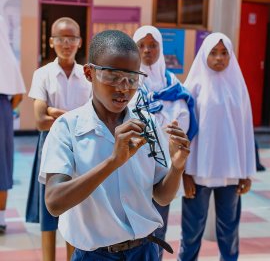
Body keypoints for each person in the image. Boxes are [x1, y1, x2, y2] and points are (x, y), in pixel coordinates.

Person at [39, 29, 190, 261]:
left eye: (132, 79)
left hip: (145, 251)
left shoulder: (146, 124)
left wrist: (177, 166)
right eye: (112, 76)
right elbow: (54, 202)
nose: (123, 88)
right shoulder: (67, 128)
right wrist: (112, 162)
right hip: (95, 255)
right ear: (89, 73)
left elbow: (161, 196)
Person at [179, 32, 256, 261]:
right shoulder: (193, 86)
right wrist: (184, 172)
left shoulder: (238, 88)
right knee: (191, 231)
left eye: (224, 53)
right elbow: (183, 133)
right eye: (213, 52)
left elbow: (245, 132)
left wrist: (246, 173)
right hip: (198, 173)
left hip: (231, 175)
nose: (219, 58)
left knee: (229, 231)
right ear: (204, 55)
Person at [25, 17, 91, 261]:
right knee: (48, 211)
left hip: (81, 148)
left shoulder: (87, 75)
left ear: (80, 41)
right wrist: (70, 117)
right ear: (51, 42)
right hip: (49, 146)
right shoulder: (43, 74)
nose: (67, 43)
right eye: (61, 39)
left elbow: (92, 116)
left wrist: (54, 111)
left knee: (75, 209)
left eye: (72, 38)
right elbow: (40, 120)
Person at [132, 25, 198, 259]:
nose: (147, 50)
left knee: (158, 226)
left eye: (153, 45)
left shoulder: (173, 85)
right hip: (133, 166)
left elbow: (184, 119)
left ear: (161, 47)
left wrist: (167, 131)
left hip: (163, 169)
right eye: (141, 46)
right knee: (130, 230)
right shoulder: (129, 83)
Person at [0, 15, 26, 234]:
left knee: (2, 164)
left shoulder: (6, 57)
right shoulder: (7, 57)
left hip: (2, 112)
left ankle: (0, 218)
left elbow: (18, 93)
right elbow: (17, 95)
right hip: (3, 111)